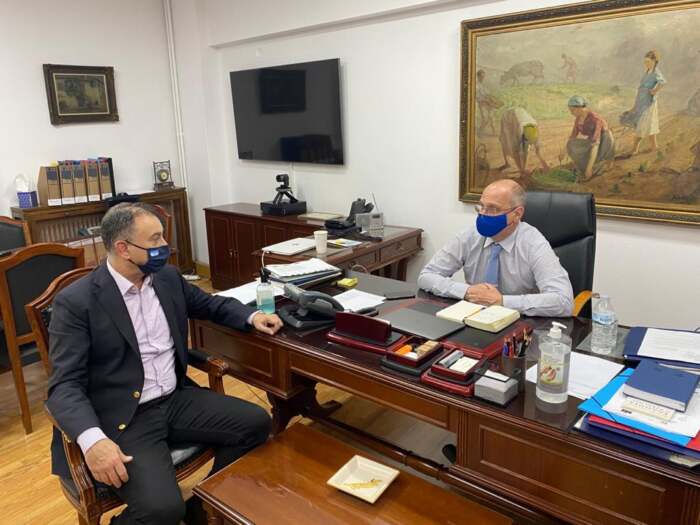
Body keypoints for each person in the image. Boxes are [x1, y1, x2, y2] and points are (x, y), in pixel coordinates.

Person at [46, 203, 284, 525]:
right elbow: (64, 385)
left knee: (256, 423)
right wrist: (93, 441)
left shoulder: (167, 278)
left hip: (175, 398)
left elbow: (209, 304)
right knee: (162, 510)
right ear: (123, 248)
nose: (165, 246)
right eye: (155, 239)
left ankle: (200, 509)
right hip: (125, 417)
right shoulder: (77, 302)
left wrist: (252, 316)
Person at [417, 180, 573, 317]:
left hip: (521, 322)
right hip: (474, 316)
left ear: (517, 214)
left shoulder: (534, 244)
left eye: (493, 209)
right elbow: (426, 276)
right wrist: (466, 291)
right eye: (481, 207)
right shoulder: (469, 236)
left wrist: (502, 301)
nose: (483, 215)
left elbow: (564, 301)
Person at [620, 50, 666, 155]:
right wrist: (635, 105)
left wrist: (655, 91)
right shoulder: (647, 72)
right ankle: (654, 146)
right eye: (645, 62)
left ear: (654, 61)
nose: (646, 64)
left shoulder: (656, 72)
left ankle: (635, 149)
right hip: (642, 100)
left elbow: (662, 82)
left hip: (648, 102)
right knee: (649, 124)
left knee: (642, 124)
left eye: (648, 62)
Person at [566, 95, 615, 180]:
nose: (571, 113)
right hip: (592, 141)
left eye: (572, 110)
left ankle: (597, 165)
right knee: (570, 144)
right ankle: (588, 166)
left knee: (593, 168)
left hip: (604, 143)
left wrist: (589, 168)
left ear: (580, 108)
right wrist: (563, 152)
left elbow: (595, 144)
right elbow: (573, 136)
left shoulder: (596, 119)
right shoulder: (578, 118)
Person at [497, 107, 550, 177]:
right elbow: (519, 153)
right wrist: (522, 170)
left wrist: (544, 164)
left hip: (519, 117)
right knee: (508, 142)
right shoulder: (520, 133)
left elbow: (538, 151)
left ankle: (521, 169)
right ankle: (507, 163)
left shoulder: (535, 130)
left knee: (521, 150)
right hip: (508, 118)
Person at [476, 69, 499, 135]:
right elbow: (477, 97)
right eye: (481, 77)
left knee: (492, 117)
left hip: (489, 104)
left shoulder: (483, 85)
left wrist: (494, 99)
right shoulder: (476, 85)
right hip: (482, 104)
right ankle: (480, 131)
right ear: (478, 76)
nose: (483, 78)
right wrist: (486, 100)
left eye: (483, 77)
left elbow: (488, 94)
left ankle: (494, 132)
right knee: (485, 119)